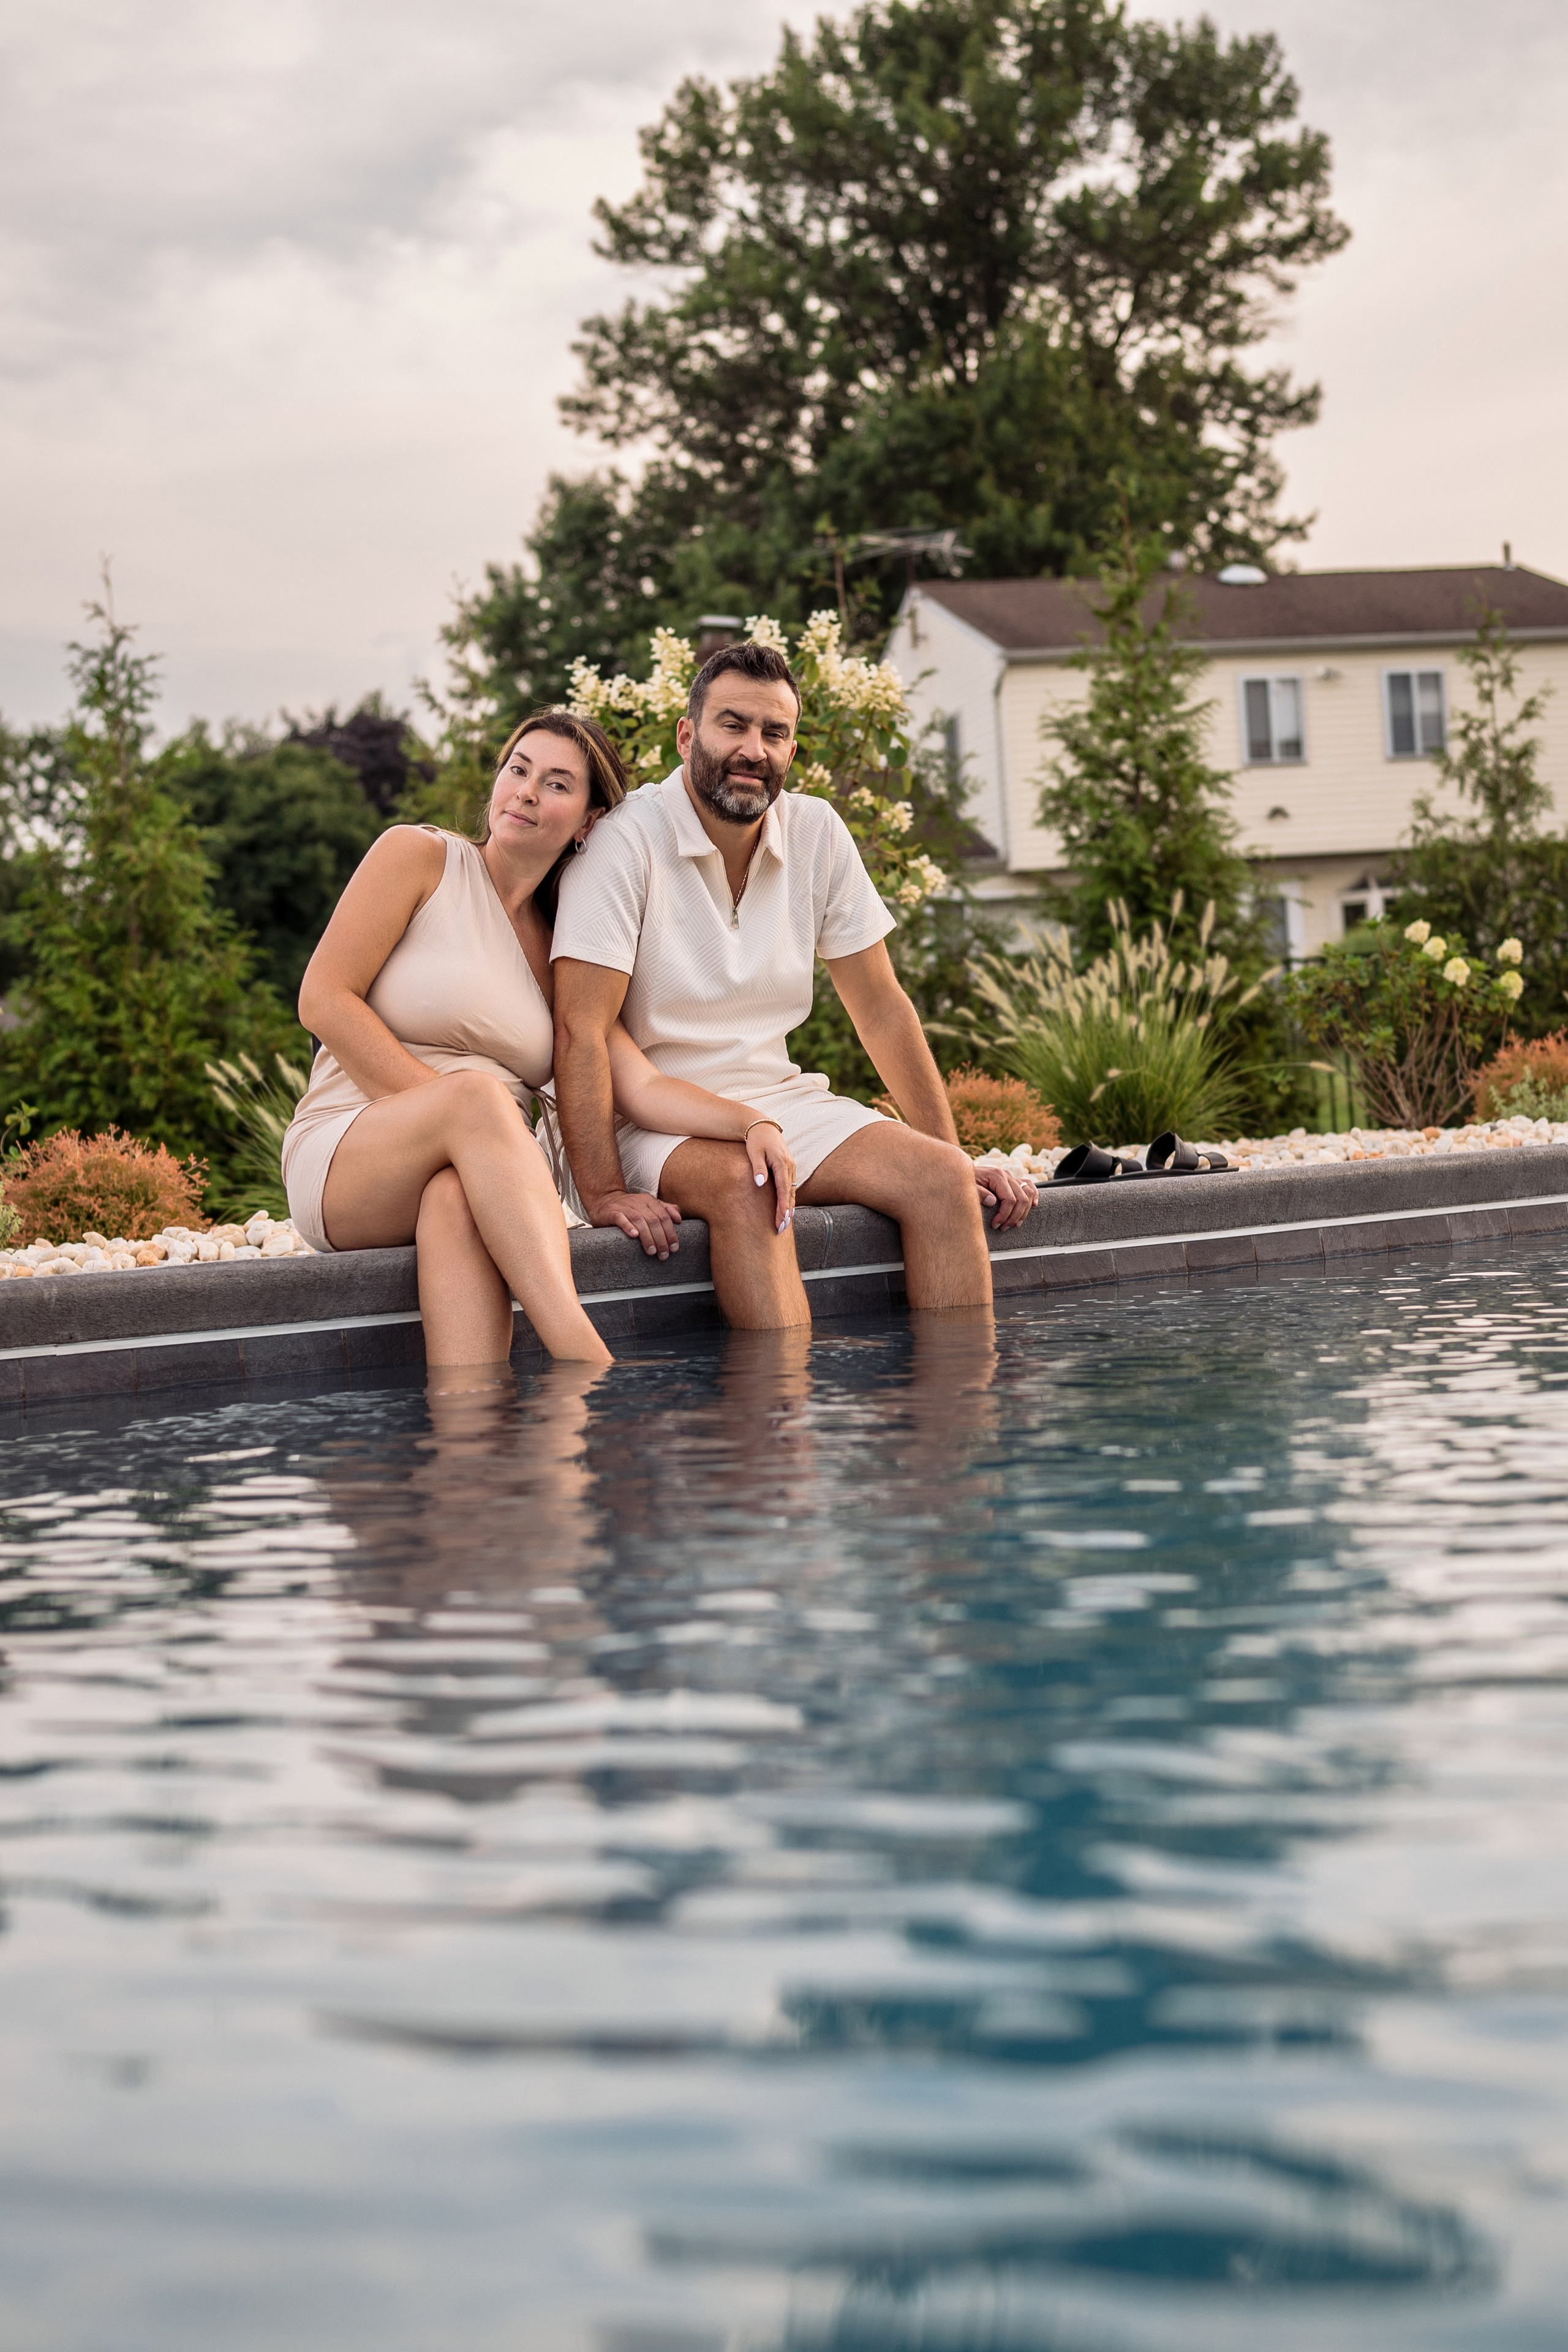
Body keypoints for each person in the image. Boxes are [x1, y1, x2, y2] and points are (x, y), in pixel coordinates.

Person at [283, 709, 797, 1373]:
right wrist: (459, 1120)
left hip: (475, 1173)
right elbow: (323, 999)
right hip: (349, 1152)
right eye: (518, 770)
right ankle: (585, 1360)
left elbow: (636, 1082)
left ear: (588, 822)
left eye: (556, 784)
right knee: (479, 1101)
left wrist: (750, 1121)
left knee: (456, 1200)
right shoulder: (419, 858)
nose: (526, 792)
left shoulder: (565, 947)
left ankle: (475, 1419)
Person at [551, 641, 1037, 1331]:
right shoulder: (624, 841)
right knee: (753, 1186)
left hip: (779, 1103)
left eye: (774, 733)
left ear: (791, 750)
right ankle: (783, 1401)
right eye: (733, 725)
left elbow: (881, 1009)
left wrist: (951, 1152)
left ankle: (958, 1397)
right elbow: (580, 1030)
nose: (753, 749)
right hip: (647, 1119)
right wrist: (601, 1192)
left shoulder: (815, 832)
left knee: (941, 1181)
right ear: (686, 735)